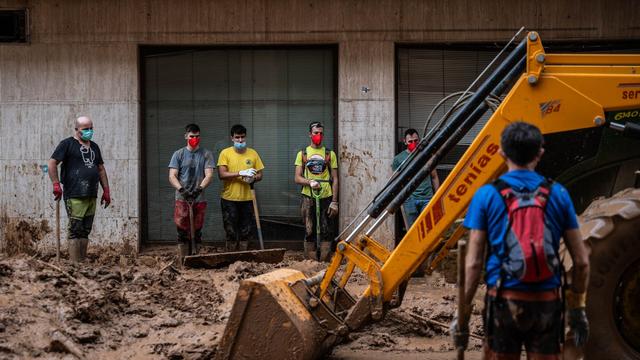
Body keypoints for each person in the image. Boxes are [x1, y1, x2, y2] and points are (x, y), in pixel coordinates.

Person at [452, 122, 590, 359]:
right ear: (540, 153)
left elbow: (473, 264)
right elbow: (581, 261)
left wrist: (461, 317)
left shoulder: (486, 195)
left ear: (501, 153)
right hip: (547, 302)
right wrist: (577, 311)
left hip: (503, 300)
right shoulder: (558, 194)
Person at [48, 116, 111, 262]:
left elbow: (100, 169)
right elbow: (52, 163)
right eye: (85, 129)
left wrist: (106, 190)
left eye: (91, 128)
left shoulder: (94, 146)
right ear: (77, 130)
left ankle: (82, 262)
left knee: (85, 230)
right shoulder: (67, 144)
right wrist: (56, 184)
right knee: (75, 229)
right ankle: (75, 264)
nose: (89, 131)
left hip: (91, 194)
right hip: (75, 194)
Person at [168, 124, 215, 257]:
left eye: (197, 136)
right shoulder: (178, 154)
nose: (195, 138)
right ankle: (183, 257)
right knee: (182, 230)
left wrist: (199, 189)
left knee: (197, 229)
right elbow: (172, 175)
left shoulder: (206, 154)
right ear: (186, 136)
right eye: (192, 136)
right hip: (182, 198)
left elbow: (209, 174)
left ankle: (196, 256)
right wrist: (182, 189)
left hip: (199, 198)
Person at [294, 121, 338, 261]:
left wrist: (335, 202)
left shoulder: (329, 153)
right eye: (315, 133)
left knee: (327, 229)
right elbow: (297, 178)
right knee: (309, 228)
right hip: (308, 196)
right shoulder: (303, 153)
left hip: (326, 196)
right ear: (310, 134)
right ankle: (310, 260)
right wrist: (309, 182)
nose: (318, 135)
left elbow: (335, 178)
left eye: (320, 133)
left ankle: (324, 259)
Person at [217, 124, 264, 251]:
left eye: (242, 137)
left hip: (248, 199)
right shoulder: (225, 153)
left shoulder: (253, 153)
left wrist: (253, 178)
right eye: (237, 137)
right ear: (232, 138)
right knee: (230, 231)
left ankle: (244, 257)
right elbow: (221, 174)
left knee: (246, 231)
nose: (240, 140)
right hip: (229, 199)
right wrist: (240, 173)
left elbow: (260, 175)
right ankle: (231, 255)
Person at [392, 128, 440, 228]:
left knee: (428, 229)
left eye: (416, 141)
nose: (413, 143)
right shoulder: (398, 159)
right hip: (410, 200)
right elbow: (395, 182)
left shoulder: (426, 155)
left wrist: (438, 196)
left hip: (427, 198)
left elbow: (434, 177)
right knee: (412, 231)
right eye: (410, 141)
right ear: (405, 142)